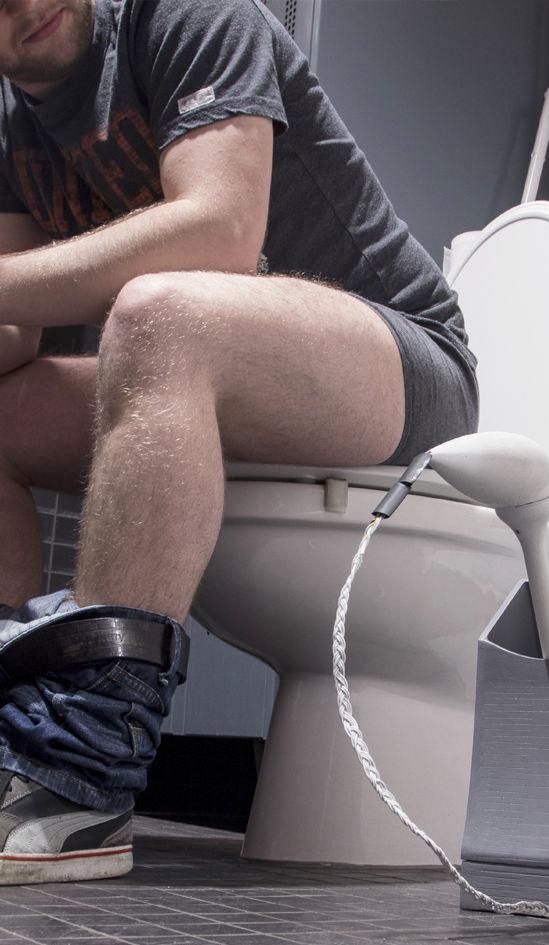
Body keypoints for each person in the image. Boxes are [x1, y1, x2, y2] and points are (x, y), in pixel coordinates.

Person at [0, 0, 478, 884]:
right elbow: (14, 334)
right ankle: (10, 738)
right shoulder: (13, 132)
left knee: (160, 310)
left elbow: (219, 231)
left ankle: (78, 772)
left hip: (404, 364)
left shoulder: (183, 13)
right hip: (223, 385)